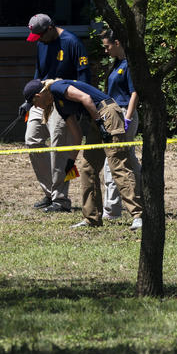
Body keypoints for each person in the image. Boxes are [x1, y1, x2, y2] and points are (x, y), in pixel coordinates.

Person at [22, 77, 143, 230]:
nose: (36, 107)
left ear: (38, 96)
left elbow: (85, 98)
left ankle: (138, 216)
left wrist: (100, 124)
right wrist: (70, 161)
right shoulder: (59, 105)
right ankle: (92, 219)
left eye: (34, 103)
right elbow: (77, 135)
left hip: (106, 113)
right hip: (96, 119)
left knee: (117, 165)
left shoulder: (57, 87)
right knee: (87, 169)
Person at [21, 14, 90, 213]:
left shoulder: (72, 43)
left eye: (41, 35)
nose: (39, 40)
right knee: (32, 140)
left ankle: (61, 200)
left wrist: (79, 105)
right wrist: (29, 100)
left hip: (63, 100)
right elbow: (38, 72)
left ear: (50, 28)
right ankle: (50, 192)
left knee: (59, 149)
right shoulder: (41, 42)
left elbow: (84, 76)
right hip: (40, 98)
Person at [99, 29, 142, 221]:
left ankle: (111, 208)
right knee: (129, 160)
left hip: (123, 113)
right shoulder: (116, 64)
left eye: (107, 46)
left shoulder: (129, 65)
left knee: (113, 160)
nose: (105, 51)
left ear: (117, 43)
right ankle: (144, 196)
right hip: (114, 113)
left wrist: (128, 117)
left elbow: (135, 92)